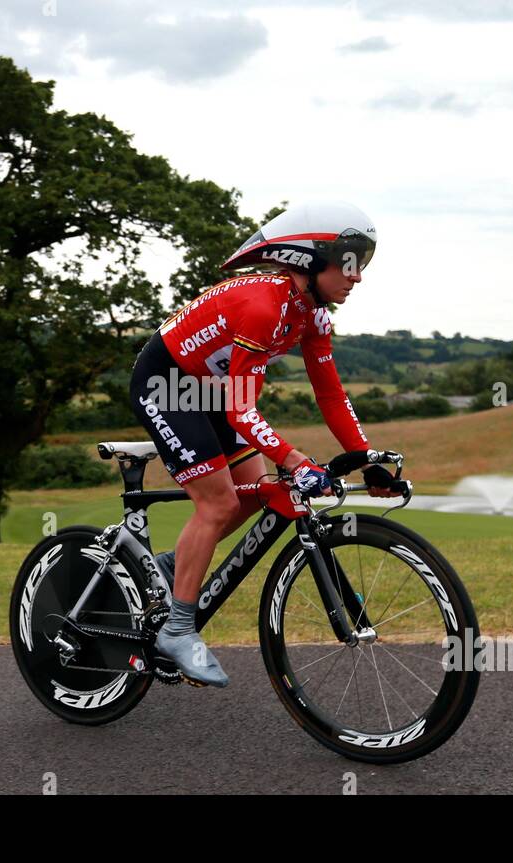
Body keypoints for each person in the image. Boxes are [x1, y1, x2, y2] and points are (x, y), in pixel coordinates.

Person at [128, 201, 399, 687]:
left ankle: (174, 565)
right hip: (167, 386)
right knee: (216, 504)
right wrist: (295, 459)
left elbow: (329, 393)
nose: (357, 277)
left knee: (257, 494)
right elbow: (242, 411)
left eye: (363, 265)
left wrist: (365, 459)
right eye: (349, 262)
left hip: (210, 392)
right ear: (308, 258)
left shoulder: (311, 313)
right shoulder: (263, 306)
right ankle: (177, 629)